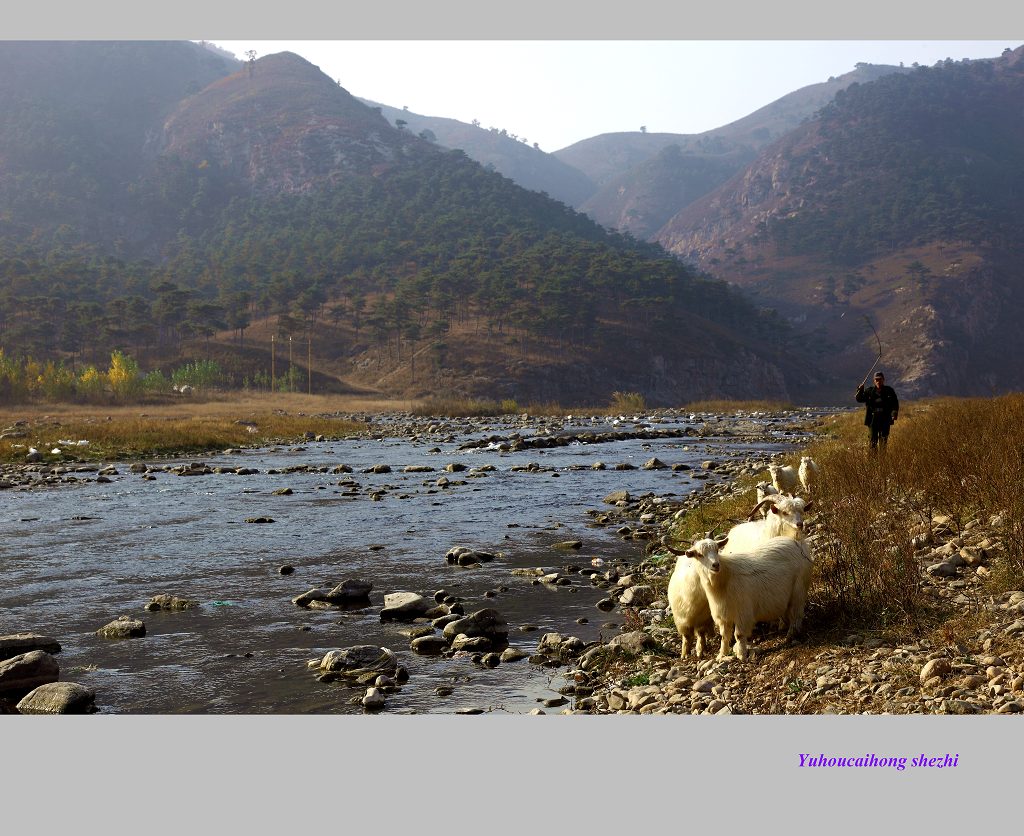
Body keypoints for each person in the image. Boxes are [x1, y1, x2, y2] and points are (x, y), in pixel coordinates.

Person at [855, 371, 899, 451]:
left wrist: (894, 413)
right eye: (876, 380)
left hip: (885, 419)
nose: (878, 381)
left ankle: (882, 461)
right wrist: (860, 390)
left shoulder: (889, 391)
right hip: (872, 420)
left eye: (880, 379)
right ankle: (872, 462)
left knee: (883, 441)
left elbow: (895, 403)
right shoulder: (869, 391)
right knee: (872, 442)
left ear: (883, 380)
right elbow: (859, 399)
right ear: (874, 381)